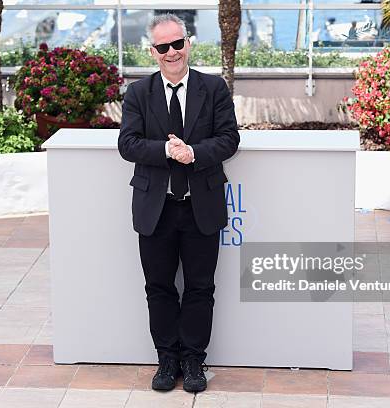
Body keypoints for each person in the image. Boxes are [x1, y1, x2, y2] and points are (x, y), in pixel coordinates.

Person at [117, 13, 240, 393]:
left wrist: (194, 154)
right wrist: (167, 151)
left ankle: (194, 360)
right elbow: (128, 144)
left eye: (177, 44)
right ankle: (167, 360)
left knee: (201, 288)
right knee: (159, 287)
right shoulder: (138, 93)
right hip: (156, 209)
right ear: (153, 52)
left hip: (201, 207)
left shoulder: (213, 87)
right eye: (162, 47)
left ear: (188, 43)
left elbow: (229, 139)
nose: (171, 52)